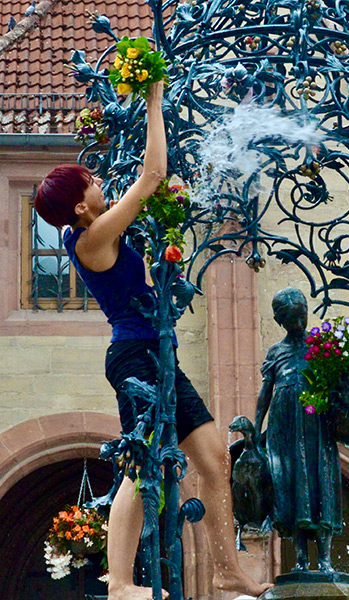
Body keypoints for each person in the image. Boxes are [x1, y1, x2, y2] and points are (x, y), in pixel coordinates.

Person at [33, 82, 273, 600]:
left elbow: (148, 188)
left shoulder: (100, 230)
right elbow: (152, 176)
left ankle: (226, 570)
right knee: (139, 463)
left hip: (156, 356)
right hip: (134, 358)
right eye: (91, 181)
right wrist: (154, 100)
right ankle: (120, 583)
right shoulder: (91, 238)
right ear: (79, 206)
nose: (100, 183)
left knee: (213, 457)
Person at [254, 287, 343, 572]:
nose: (298, 323)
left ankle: (326, 559)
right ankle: (302, 559)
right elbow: (265, 391)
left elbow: (340, 383)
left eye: (301, 316)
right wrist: (256, 428)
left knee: (320, 484)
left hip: (315, 424)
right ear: (280, 321)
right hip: (284, 426)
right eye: (291, 319)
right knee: (289, 487)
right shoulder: (276, 351)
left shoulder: (321, 344)